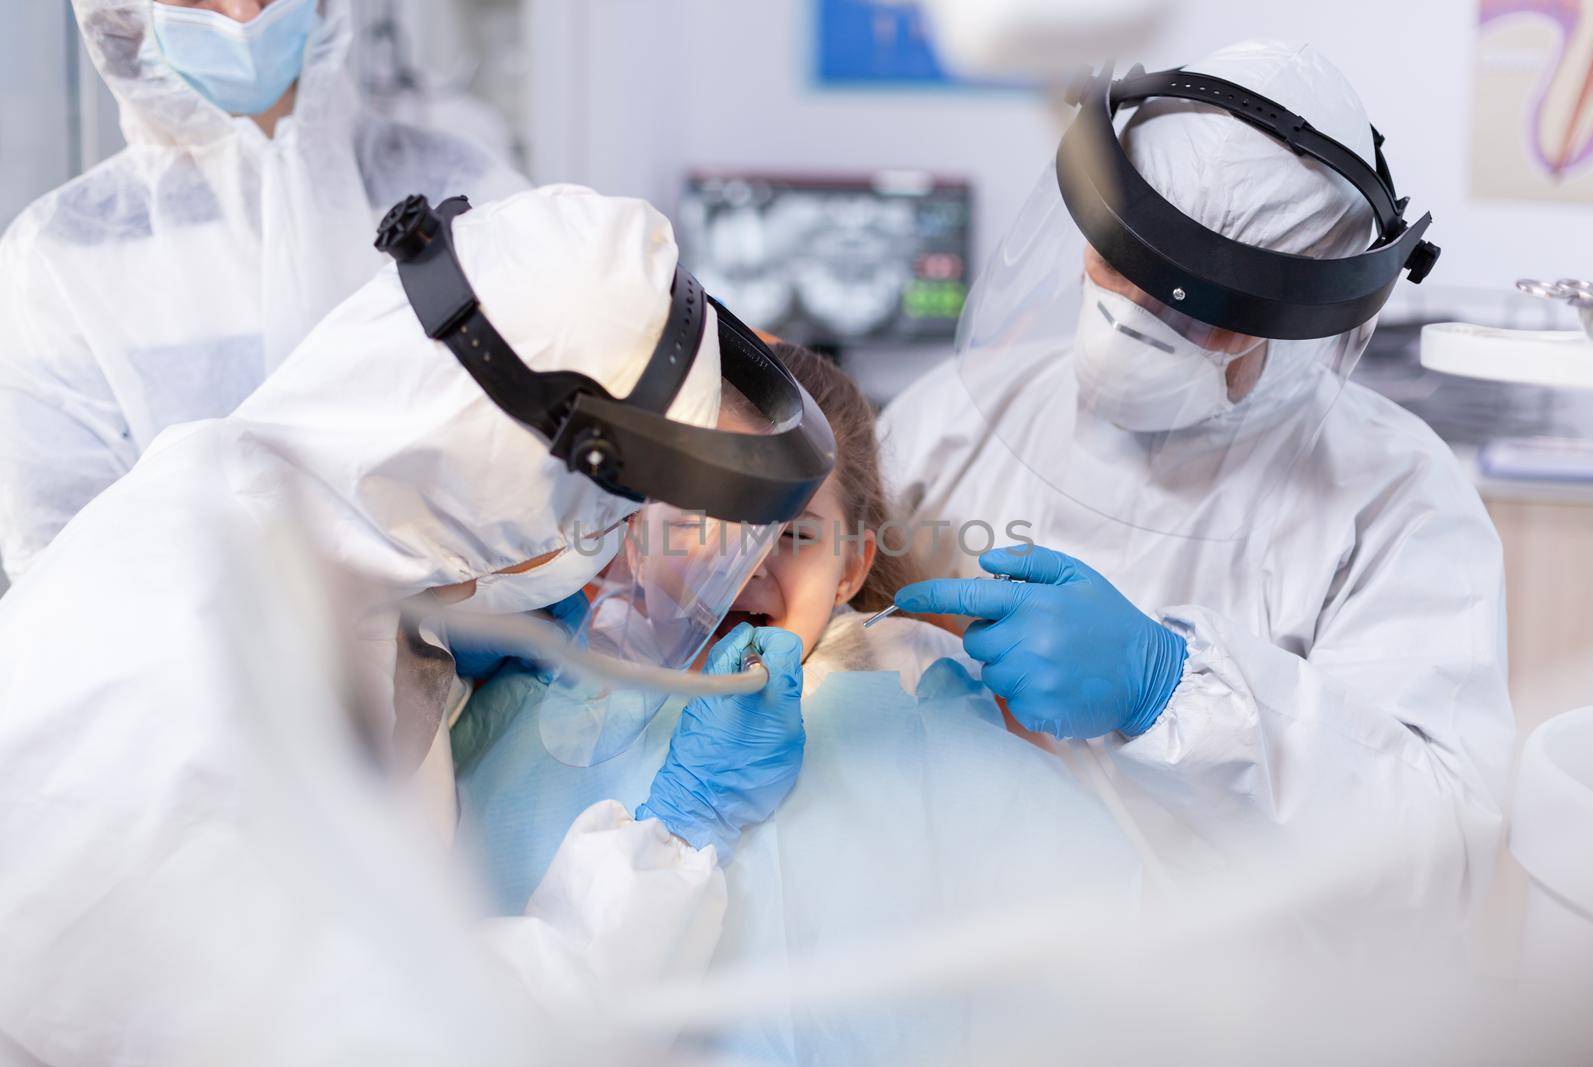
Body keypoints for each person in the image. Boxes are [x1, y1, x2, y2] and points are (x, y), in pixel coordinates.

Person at [0, 186, 827, 1064]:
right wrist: (677, 832)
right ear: (518, 476)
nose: (620, 548)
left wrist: (446, 627)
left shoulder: (277, 521)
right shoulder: (187, 678)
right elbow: (437, 1039)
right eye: (616, 515)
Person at [879, 41, 1515, 907]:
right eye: (1119, 258)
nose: (1127, 321)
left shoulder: (1397, 504)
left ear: (1299, 325)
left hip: (1220, 1006)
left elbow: (1443, 857)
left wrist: (1176, 694)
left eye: (1201, 308)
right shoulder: (951, 419)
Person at [450, 344, 1141, 1062]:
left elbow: (1132, 960)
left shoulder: (921, 724)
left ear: (850, 566)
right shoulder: (513, 708)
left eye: (791, 532)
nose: (739, 563)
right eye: (699, 518)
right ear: (627, 526)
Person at [0, 0, 526, 581]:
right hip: (202, 669)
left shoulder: (467, 186)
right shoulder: (57, 261)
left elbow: (548, 481)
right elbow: (62, 582)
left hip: (479, 654)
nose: (245, 14)